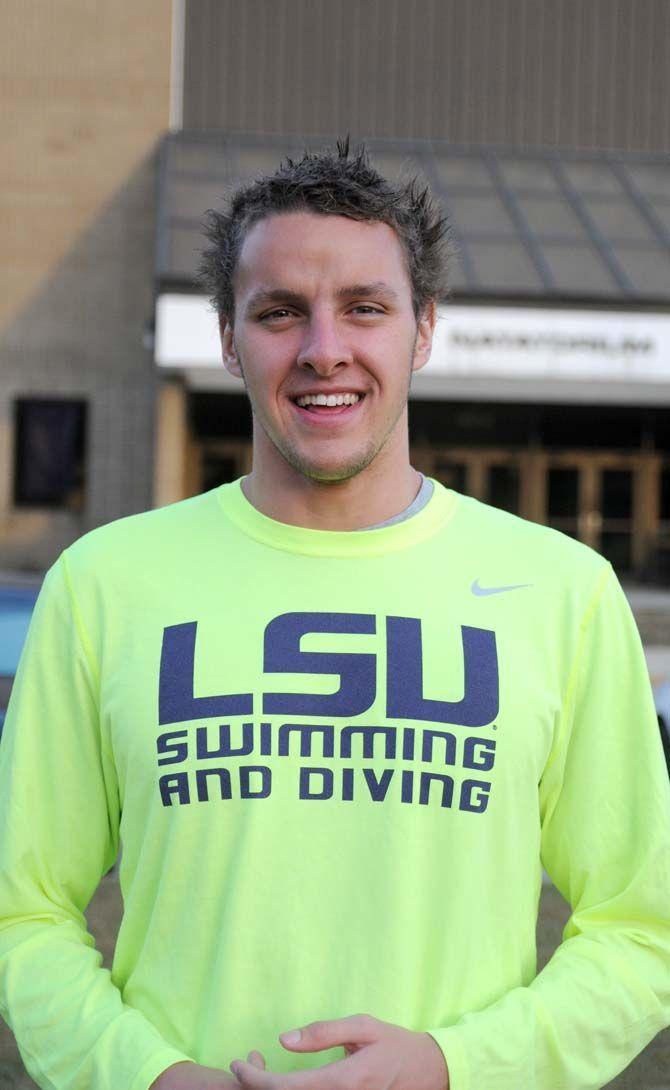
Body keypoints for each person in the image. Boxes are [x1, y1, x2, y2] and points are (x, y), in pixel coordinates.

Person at [0, 140, 668, 1090]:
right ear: (229, 338)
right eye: (279, 313)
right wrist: (147, 1078)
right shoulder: (103, 585)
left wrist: (454, 1066)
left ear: (422, 329)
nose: (324, 349)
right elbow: (22, 914)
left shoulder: (564, 591)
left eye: (365, 306)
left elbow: (643, 930)